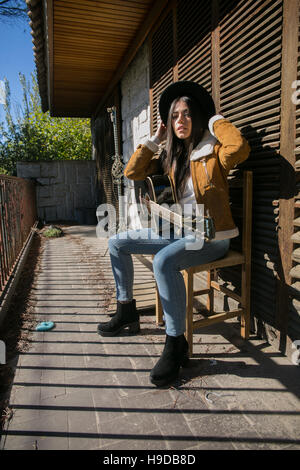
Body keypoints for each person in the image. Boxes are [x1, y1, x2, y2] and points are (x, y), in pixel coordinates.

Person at [97, 80, 250, 387]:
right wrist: (156, 138)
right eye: (174, 115)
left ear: (198, 118)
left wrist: (213, 119)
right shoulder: (172, 156)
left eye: (187, 114)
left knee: (164, 262)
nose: (180, 120)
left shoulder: (214, 152)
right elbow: (131, 172)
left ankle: (176, 343)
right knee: (117, 242)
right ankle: (127, 310)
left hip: (212, 238)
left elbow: (240, 148)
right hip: (180, 231)